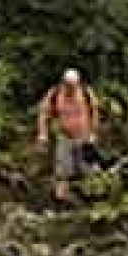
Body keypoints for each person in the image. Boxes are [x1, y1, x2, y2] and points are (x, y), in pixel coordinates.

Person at [36, 68, 100, 203]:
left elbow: (94, 112)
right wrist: (43, 133)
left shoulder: (86, 92)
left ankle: (91, 200)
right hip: (64, 136)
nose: (71, 88)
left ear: (78, 83)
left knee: (87, 170)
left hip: (84, 137)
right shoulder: (55, 93)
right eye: (68, 85)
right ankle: (61, 200)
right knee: (62, 171)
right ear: (63, 82)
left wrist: (93, 133)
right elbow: (43, 112)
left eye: (73, 85)